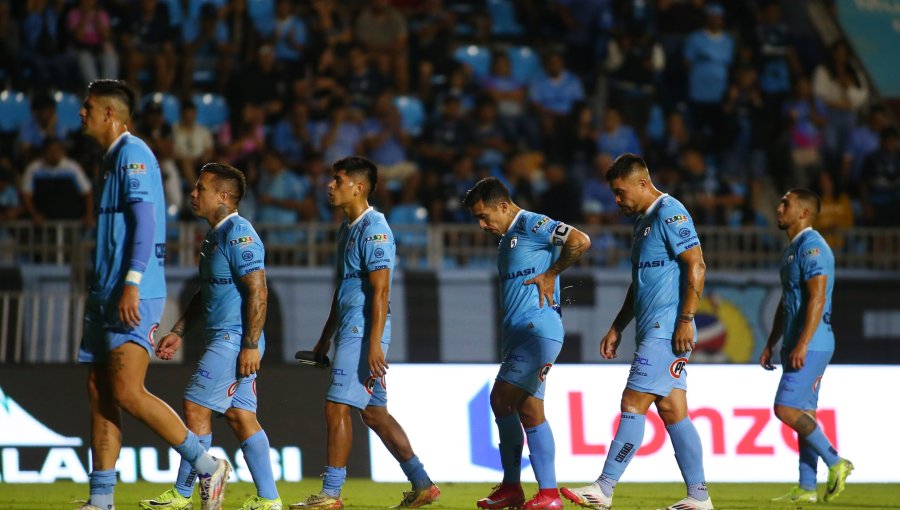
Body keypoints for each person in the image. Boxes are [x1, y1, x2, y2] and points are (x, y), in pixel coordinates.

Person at [76, 79, 230, 510]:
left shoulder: (133, 154)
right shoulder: (108, 160)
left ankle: (206, 465)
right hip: (102, 295)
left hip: (132, 293)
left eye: (88, 107)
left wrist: (132, 282)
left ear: (110, 113)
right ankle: (101, 498)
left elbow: (146, 223)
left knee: (126, 390)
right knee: (99, 391)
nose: (81, 113)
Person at [561, 153, 713, 510]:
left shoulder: (670, 212)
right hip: (652, 328)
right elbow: (639, 284)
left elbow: (697, 264)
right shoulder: (642, 223)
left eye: (619, 191)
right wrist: (617, 326)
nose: (616, 200)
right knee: (674, 411)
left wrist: (687, 318)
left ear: (642, 184)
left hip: (667, 329)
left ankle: (604, 487)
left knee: (632, 403)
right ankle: (699, 497)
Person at [290, 156, 440, 510]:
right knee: (374, 413)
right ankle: (422, 484)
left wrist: (374, 344)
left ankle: (331, 494)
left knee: (336, 406)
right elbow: (345, 287)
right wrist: (325, 337)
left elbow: (381, 291)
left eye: (338, 180)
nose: (330, 185)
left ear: (357, 186)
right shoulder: (348, 228)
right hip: (351, 329)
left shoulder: (375, 229)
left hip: (364, 331)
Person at [139, 163, 282, 510]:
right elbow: (207, 294)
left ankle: (184, 494)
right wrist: (178, 331)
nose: (193, 193)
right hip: (227, 338)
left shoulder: (240, 234)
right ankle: (269, 500)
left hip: (235, 340)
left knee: (194, 405)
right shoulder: (213, 236)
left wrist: (249, 345)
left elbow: (258, 292)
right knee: (240, 416)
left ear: (223, 196)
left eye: (200, 188)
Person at [464, 177, 591, 510]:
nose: (481, 225)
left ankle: (511, 486)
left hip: (539, 331)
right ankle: (547, 495)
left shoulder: (533, 224)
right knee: (530, 411)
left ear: (504, 206)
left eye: (484, 216)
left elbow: (580, 240)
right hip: (521, 333)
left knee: (500, 399)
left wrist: (552, 274)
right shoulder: (507, 238)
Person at [760, 188, 854, 503]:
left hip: (812, 344)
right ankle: (807, 487)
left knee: (785, 408)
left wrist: (801, 343)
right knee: (804, 414)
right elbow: (787, 302)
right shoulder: (791, 250)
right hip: (796, 343)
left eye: (786, 202)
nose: (779, 206)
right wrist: (772, 342)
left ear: (804, 213)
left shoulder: (814, 247)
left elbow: (817, 297)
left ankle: (836, 461)